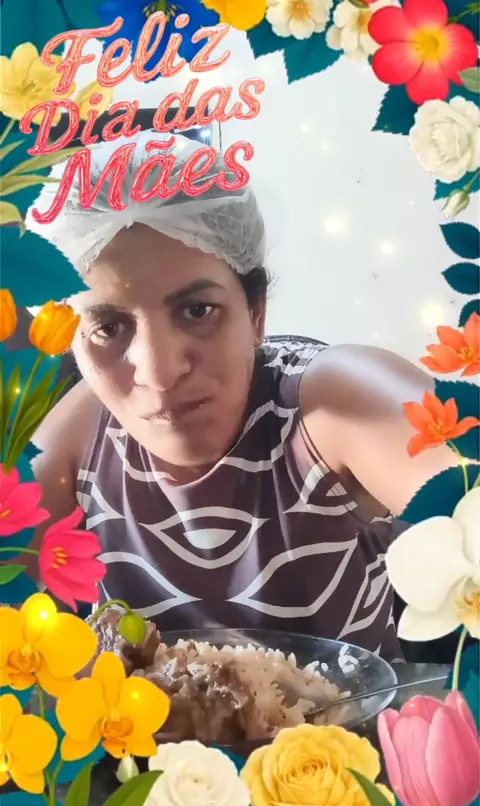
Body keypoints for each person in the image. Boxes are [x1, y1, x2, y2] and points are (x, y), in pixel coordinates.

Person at [22, 130, 455, 663]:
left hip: (360, 719)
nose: (159, 373)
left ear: (255, 313)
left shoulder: (329, 405)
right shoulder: (78, 443)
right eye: (109, 328)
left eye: (197, 311)